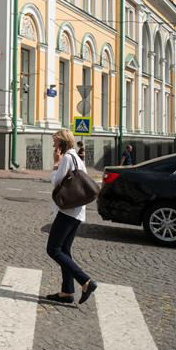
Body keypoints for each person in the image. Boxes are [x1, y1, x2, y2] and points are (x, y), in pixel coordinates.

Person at [45, 129, 97, 305]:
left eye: (55, 142)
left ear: (62, 143)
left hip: (67, 212)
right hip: (77, 212)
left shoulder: (67, 158)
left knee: (53, 249)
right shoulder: (77, 158)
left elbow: (55, 182)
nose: (53, 145)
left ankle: (85, 281)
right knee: (64, 251)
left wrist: (55, 164)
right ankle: (67, 292)